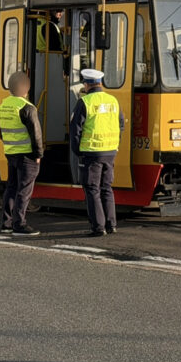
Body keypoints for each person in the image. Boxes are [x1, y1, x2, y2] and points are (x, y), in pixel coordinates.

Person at [70, 68, 124, 236]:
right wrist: (114, 144)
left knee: (92, 189)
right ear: (100, 83)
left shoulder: (85, 102)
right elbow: (121, 124)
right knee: (106, 188)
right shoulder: (113, 100)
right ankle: (111, 224)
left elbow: (75, 129)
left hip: (91, 152)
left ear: (87, 84)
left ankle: (98, 227)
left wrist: (77, 150)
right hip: (110, 152)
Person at [0, 71, 44, 236]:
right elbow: (36, 134)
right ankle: (20, 225)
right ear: (26, 89)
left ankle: (6, 223)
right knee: (24, 190)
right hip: (27, 155)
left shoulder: (2, 107)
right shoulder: (27, 107)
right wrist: (38, 155)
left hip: (11, 154)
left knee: (11, 188)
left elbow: (1, 134)